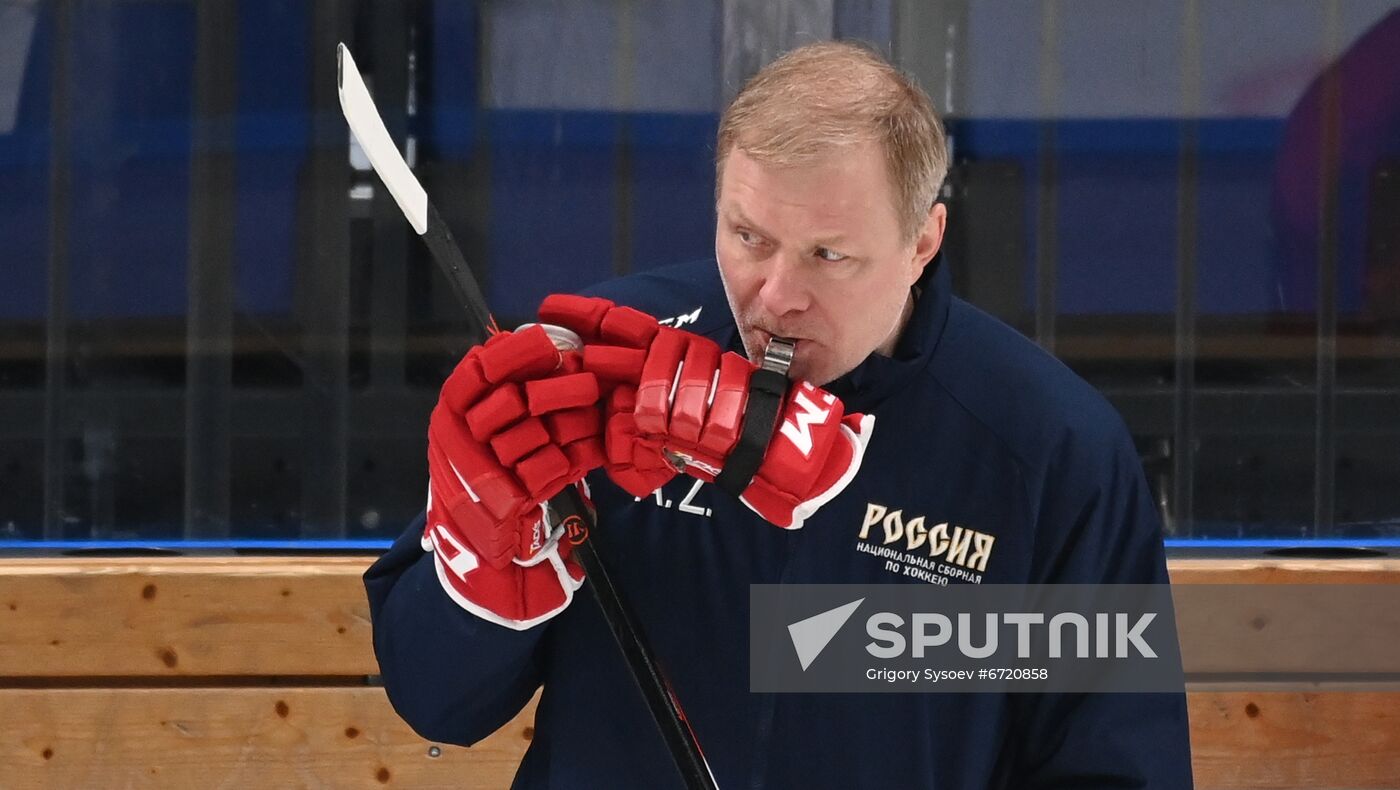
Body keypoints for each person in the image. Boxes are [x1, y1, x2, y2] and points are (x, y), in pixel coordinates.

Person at [366, 41, 1194, 788]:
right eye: (749, 237)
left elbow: (1116, 771)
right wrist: (476, 575)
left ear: (923, 242)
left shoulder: (1050, 447)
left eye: (829, 255)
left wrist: (846, 638)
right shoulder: (603, 374)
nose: (778, 297)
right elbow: (437, 703)